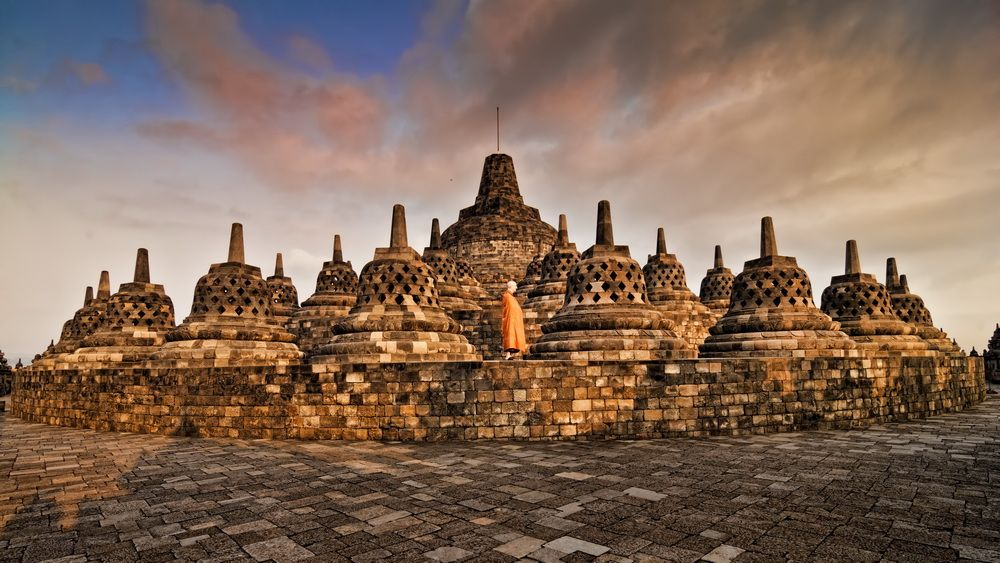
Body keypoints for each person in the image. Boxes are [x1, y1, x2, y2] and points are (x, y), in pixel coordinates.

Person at [502, 280, 527, 360]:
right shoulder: (507, 296)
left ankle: (509, 355)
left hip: (514, 321)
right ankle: (508, 355)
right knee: (510, 337)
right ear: (511, 286)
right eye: (515, 286)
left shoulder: (511, 297)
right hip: (510, 320)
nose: (516, 287)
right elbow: (508, 309)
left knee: (513, 338)